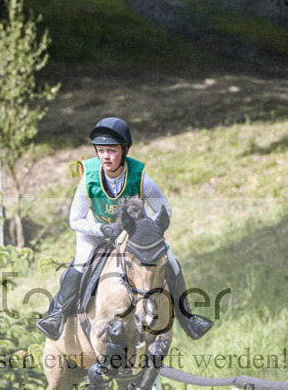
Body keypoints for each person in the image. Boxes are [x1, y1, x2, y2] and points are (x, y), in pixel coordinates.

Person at [37, 117, 213, 341]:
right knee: (81, 261)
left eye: (111, 150)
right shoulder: (89, 178)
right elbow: (75, 220)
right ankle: (56, 316)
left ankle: (188, 318)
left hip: (134, 233)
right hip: (96, 229)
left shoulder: (141, 178)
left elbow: (164, 210)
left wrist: (144, 229)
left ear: (125, 150)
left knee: (172, 260)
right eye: (101, 151)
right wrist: (103, 229)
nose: (105, 157)